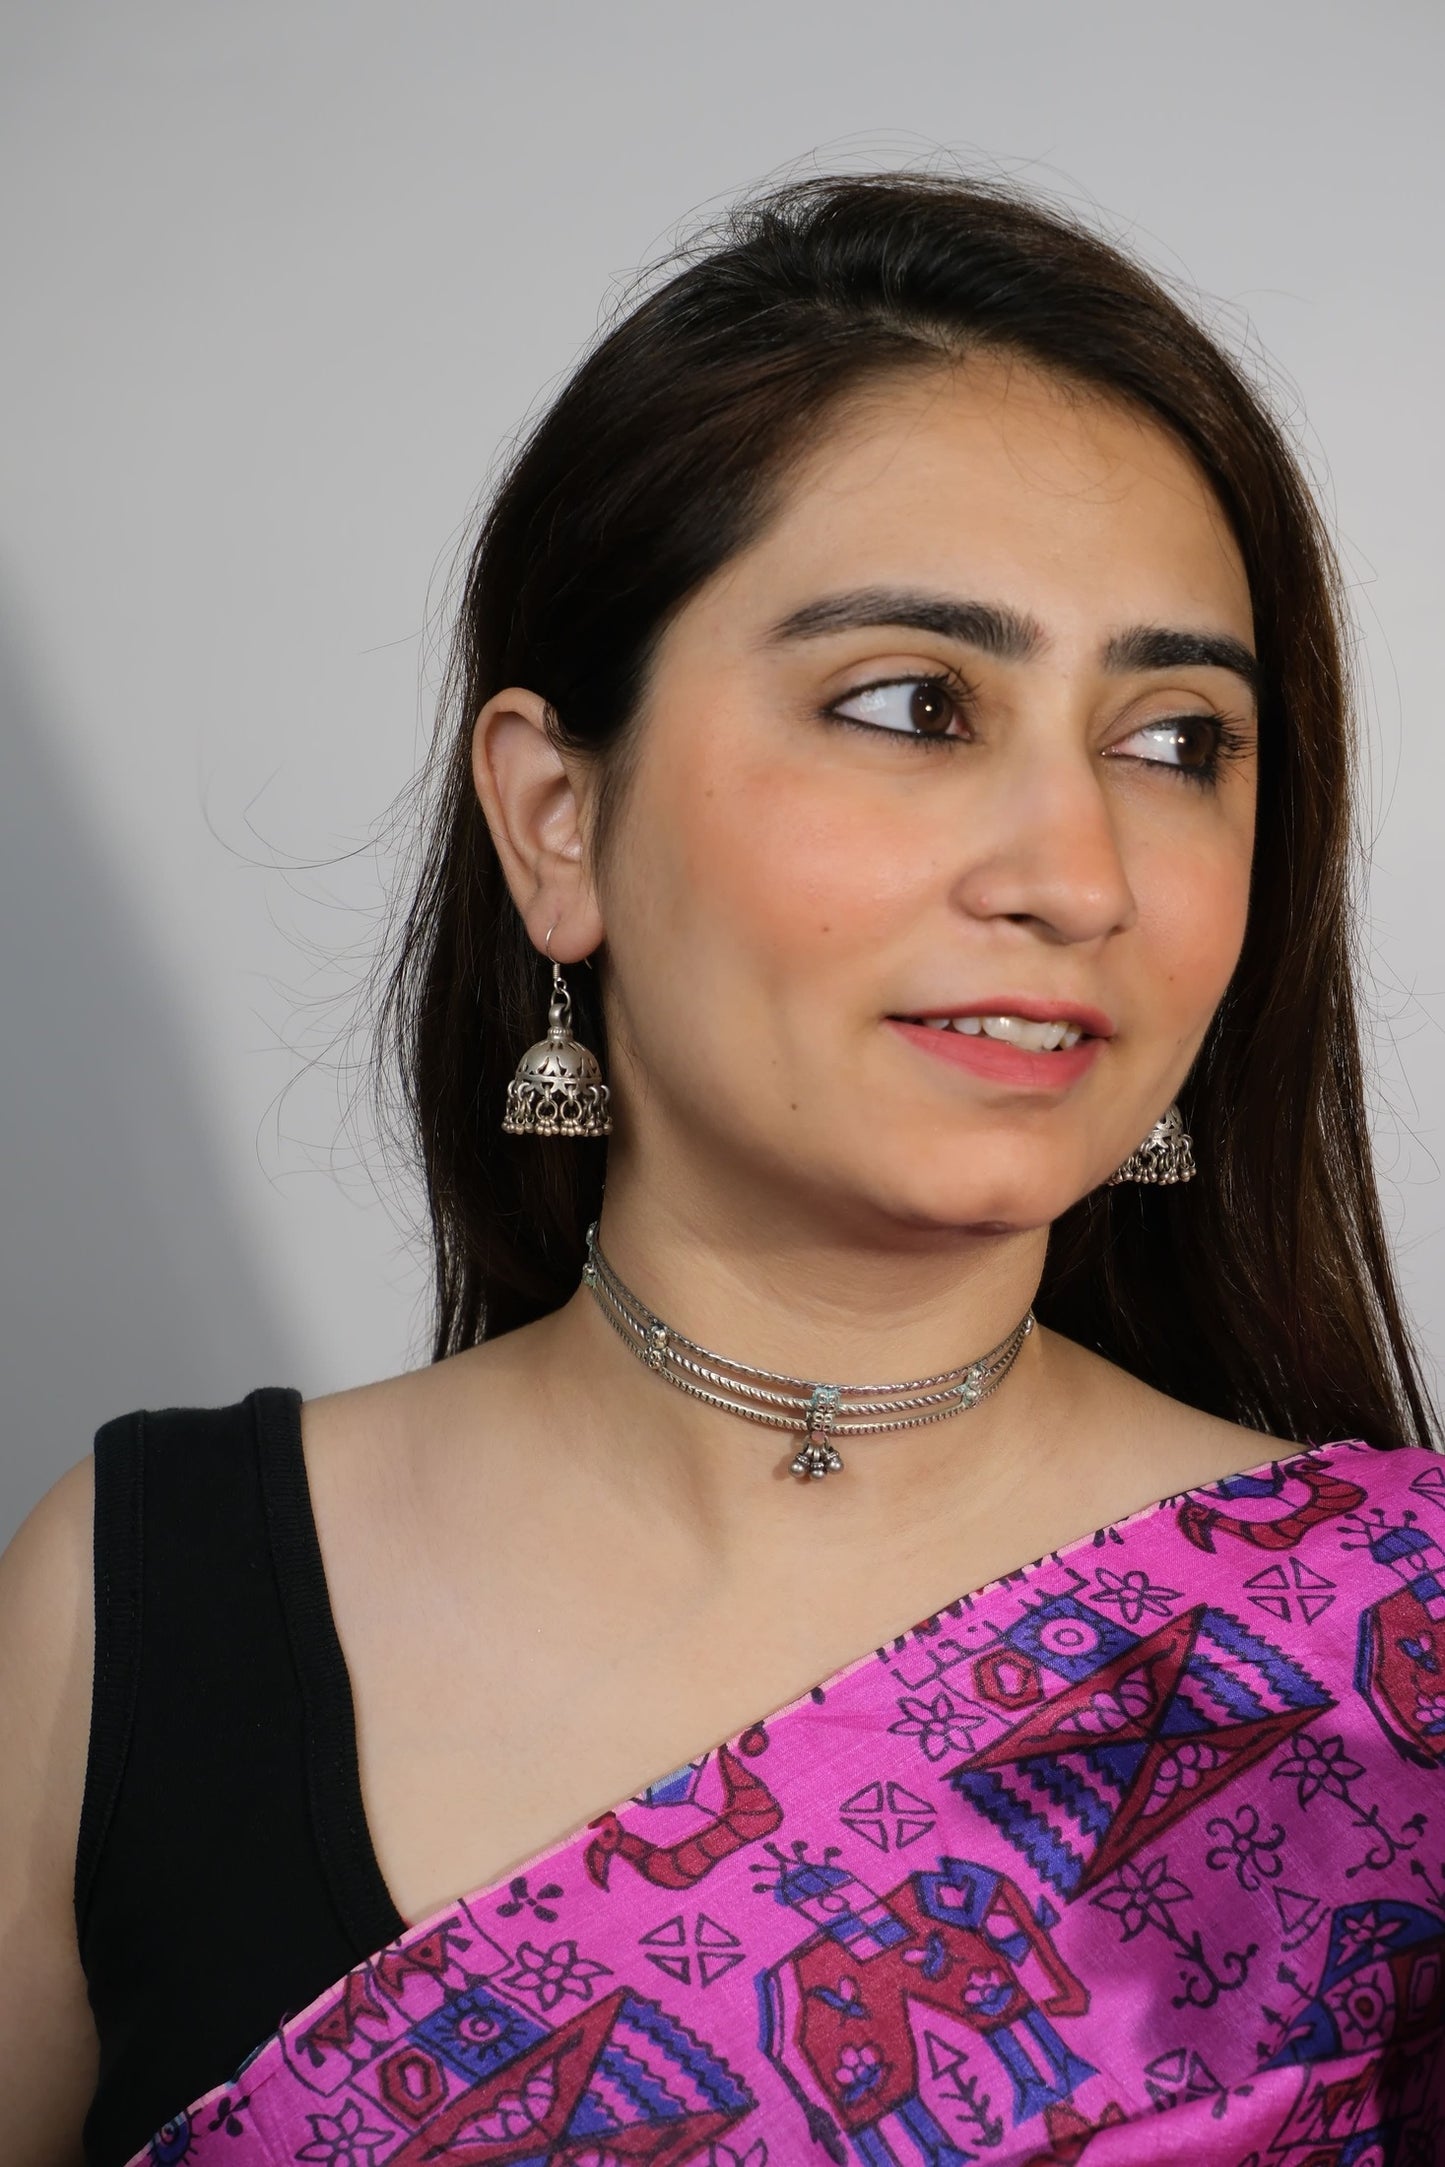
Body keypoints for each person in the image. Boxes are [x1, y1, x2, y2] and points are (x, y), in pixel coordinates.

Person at [2, 169, 1442, 2167]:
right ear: (556, 817)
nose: (1079, 874)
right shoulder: (140, 1602)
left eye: (1180, 737)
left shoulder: (1394, 1661)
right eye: (912, 705)